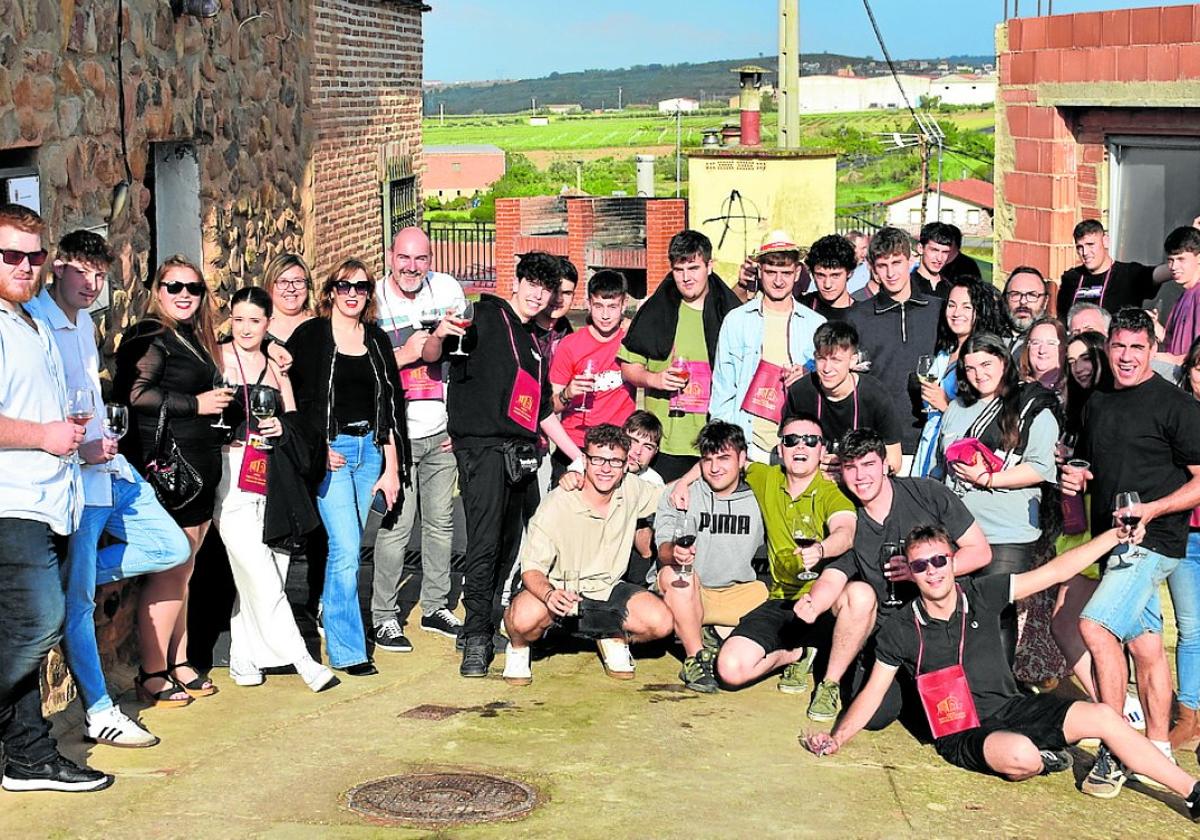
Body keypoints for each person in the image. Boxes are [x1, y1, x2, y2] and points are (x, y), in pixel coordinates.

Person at [804, 525, 1200, 825]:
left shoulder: (980, 594)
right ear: (910, 570)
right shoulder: (901, 629)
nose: (933, 571)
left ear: (953, 561)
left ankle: (1191, 791)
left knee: (1103, 717)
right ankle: (1046, 757)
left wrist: (1112, 537)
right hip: (960, 730)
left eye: (940, 560)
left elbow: (1054, 570)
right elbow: (874, 691)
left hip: (1013, 707)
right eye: (921, 565)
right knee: (1021, 758)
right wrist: (838, 737)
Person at [26, 231, 190, 748]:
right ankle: (99, 711)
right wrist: (84, 450)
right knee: (77, 609)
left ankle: (74, 580)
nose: (93, 284)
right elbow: (41, 417)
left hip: (112, 473)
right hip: (77, 478)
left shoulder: (82, 326)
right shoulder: (38, 327)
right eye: (83, 272)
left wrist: (104, 446)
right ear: (58, 268)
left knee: (171, 546)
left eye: (101, 275)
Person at [1061, 307, 1200, 797]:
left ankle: (1114, 747)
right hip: (1112, 542)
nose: (1125, 357)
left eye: (1137, 348)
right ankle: (1156, 747)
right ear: (1109, 346)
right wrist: (1079, 476)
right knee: (1144, 646)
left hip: (1155, 542)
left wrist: (1153, 510)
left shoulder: (1177, 406)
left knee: (1094, 627)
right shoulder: (1098, 402)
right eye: (1118, 346)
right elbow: (1100, 467)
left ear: (1152, 350)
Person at [0, 203, 112, 793]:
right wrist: (44, 435)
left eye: (33, 255)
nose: (26, 265)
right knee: (38, 625)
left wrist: (71, 438)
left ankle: (28, 759)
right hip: (10, 503)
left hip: (54, 498)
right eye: (11, 255)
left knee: (26, 630)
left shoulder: (31, 322)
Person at [436, 252, 567, 678]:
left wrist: (579, 455)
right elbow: (439, 350)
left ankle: (485, 620)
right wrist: (441, 333)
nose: (537, 294)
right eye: (531, 284)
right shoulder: (484, 314)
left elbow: (542, 409)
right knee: (485, 543)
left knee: (511, 545)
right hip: (482, 449)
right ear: (516, 282)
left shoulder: (533, 344)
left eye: (545, 289)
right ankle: (475, 638)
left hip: (521, 453)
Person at [114, 254, 230, 702]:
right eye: (174, 287)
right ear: (157, 291)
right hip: (170, 473)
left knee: (185, 572)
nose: (184, 295)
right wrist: (195, 406)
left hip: (198, 469)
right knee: (170, 571)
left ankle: (178, 660)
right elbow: (134, 395)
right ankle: (152, 671)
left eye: (193, 288)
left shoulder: (190, 336)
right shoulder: (149, 334)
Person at [287, 258, 407, 678]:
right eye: (344, 285)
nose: (352, 293)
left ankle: (334, 617)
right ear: (330, 292)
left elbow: (390, 407)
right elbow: (292, 396)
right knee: (343, 550)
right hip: (333, 452)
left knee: (352, 549)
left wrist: (392, 467)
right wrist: (316, 448)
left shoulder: (376, 340)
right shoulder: (312, 335)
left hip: (370, 451)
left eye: (361, 286)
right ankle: (347, 650)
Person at [212, 287, 335, 692]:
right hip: (230, 477)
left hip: (272, 475)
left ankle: (243, 656)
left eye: (255, 320)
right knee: (259, 571)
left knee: (270, 570)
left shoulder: (276, 366)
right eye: (239, 319)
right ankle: (303, 660)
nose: (245, 328)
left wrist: (282, 427)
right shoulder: (216, 358)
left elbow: (297, 421)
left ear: (268, 324)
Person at [829, 429, 992, 728]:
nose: (860, 476)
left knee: (957, 716)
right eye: (850, 468)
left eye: (868, 465)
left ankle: (918, 685)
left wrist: (925, 570)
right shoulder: (846, 513)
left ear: (885, 465)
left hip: (938, 624)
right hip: (888, 631)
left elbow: (980, 552)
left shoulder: (928, 493)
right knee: (875, 718)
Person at [502, 424, 673, 685]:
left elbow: (673, 493)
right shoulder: (558, 502)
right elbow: (532, 569)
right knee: (523, 619)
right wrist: (549, 594)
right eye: (598, 460)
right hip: (560, 589)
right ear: (584, 460)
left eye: (615, 462)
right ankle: (518, 647)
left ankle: (610, 635)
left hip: (608, 589)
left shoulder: (632, 489)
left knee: (661, 622)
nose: (606, 468)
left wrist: (704, 470)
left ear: (626, 464)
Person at [716, 414, 862, 718]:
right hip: (781, 600)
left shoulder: (832, 490)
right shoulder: (766, 477)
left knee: (855, 599)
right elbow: (722, 458)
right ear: (780, 449)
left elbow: (845, 532)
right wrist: (683, 484)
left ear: (823, 452)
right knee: (729, 669)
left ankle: (826, 676)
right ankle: (794, 654)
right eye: (791, 440)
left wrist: (822, 549)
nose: (801, 446)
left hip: (824, 605)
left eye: (811, 441)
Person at [935, 333, 1060, 666]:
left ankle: (997, 696)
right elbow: (940, 467)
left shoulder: (1032, 406)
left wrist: (989, 478)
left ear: (1004, 362)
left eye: (987, 364)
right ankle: (963, 690)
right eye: (971, 367)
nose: (979, 374)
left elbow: (1040, 468)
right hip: (957, 529)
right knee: (956, 611)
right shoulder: (956, 410)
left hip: (1007, 532)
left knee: (994, 612)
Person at [371, 226, 467, 652]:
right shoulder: (372, 299)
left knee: (441, 525)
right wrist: (407, 353)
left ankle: (434, 606)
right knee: (395, 527)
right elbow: (367, 365)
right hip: (397, 434)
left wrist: (457, 423)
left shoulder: (446, 291)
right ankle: (384, 616)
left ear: (431, 261)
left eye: (421, 259)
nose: (412, 268)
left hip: (440, 431)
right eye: (404, 258)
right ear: (391, 256)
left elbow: (461, 364)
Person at [654, 422, 768, 693]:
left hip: (740, 593)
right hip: (694, 591)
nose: (715, 468)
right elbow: (662, 550)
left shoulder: (761, 493)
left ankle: (714, 633)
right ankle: (696, 658)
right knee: (676, 576)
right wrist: (675, 552)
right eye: (708, 460)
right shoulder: (680, 494)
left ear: (742, 459)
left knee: (778, 602)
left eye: (724, 458)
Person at [619, 230, 741, 482]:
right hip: (666, 443)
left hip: (715, 442)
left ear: (710, 266)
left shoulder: (731, 314)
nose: (686, 278)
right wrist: (656, 380)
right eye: (679, 269)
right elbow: (629, 368)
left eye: (694, 268)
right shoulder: (654, 310)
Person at [711, 230, 824, 464]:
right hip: (749, 446)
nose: (779, 280)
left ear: (797, 273)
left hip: (800, 447)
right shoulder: (736, 320)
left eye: (785, 272)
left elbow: (829, 384)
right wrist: (727, 448)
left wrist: (808, 374)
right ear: (760, 272)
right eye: (771, 272)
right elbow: (723, 388)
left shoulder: (816, 325)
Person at [845, 227, 942, 473]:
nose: (890, 273)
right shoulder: (858, 316)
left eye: (897, 263)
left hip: (931, 439)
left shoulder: (939, 311)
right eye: (882, 265)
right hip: (879, 441)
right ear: (872, 268)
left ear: (911, 260)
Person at [914, 277, 1009, 478]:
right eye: (951, 305)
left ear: (980, 311)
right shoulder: (944, 352)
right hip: (929, 444)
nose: (957, 313)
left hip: (957, 456)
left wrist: (946, 406)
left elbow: (988, 415)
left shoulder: (986, 358)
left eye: (967, 307)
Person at [549, 269, 636, 483]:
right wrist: (568, 393)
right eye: (598, 306)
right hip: (574, 444)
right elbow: (549, 407)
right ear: (588, 304)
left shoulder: (632, 342)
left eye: (612, 307)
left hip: (616, 447)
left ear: (624, 305)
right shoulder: (570, 345)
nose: (605, 315)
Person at [785, 321, 903, 475]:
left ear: (853, 360)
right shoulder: (800, 392)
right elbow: (787, 448)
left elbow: (894, 462)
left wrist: (848, 465)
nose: (827, 369)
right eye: (821, 359)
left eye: (836, 360)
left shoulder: (875, 395)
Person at [1170, 335, 1200, 749]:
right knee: (1190, 628)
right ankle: (1189, 717)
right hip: (1184, 534)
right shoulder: (1175, 412)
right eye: (1199, 366)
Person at [1057, 219, 1170, 318]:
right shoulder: (1071, 279)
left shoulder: (1129, 275)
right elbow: (1062, 321)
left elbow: (1164, 272)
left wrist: (1184, 256)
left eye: (1091, 245)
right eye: (1080, 247)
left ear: (1105, 241)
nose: (1085, 253)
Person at [1159, 226, 1200, 366]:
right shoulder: (1185, 295)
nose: (1174, 266)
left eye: (1181, 259)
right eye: (1170, 260)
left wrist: (1170, 360)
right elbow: (1175, 345)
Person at [530, 255, 576, 363]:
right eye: (554, 291)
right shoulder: (523, 330)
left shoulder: (566, 330)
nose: (559, 299)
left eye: (566, 293)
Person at [800, 234, 857, 320]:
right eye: (820, 275)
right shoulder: (800, 308)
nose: (827, 285)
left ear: (849, 273)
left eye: (835, 276)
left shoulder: (863, 314)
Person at [263, 252, 314, 344]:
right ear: (269, 286)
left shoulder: (323, 329)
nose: (291, 289)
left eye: (298, 281)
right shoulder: (255, 332)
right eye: (283, 282)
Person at [1017, 317, 1068, 398]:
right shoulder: (1015, 391)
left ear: (1064, 348)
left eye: (1051, 343)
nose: (1042, 350)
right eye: (1035, 343)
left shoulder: (1074, 389)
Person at [1002, 266, 1049, 353]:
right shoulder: (991, 336)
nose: (1023, 301)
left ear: (1045, 301)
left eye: (1032, 295)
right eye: (1015, 294)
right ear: (1005, 299)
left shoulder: (1055, 341)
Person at [912, 221, 955, 298]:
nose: (939, 258)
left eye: (945, 252)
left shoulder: (953, 291)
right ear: (920, 248)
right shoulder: (906, 286)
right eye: (934, 250)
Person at [845, 230, 872, 295]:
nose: (865, 252)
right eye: (863, 248)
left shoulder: (869, 267)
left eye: (866, 248)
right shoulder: (839, 269)